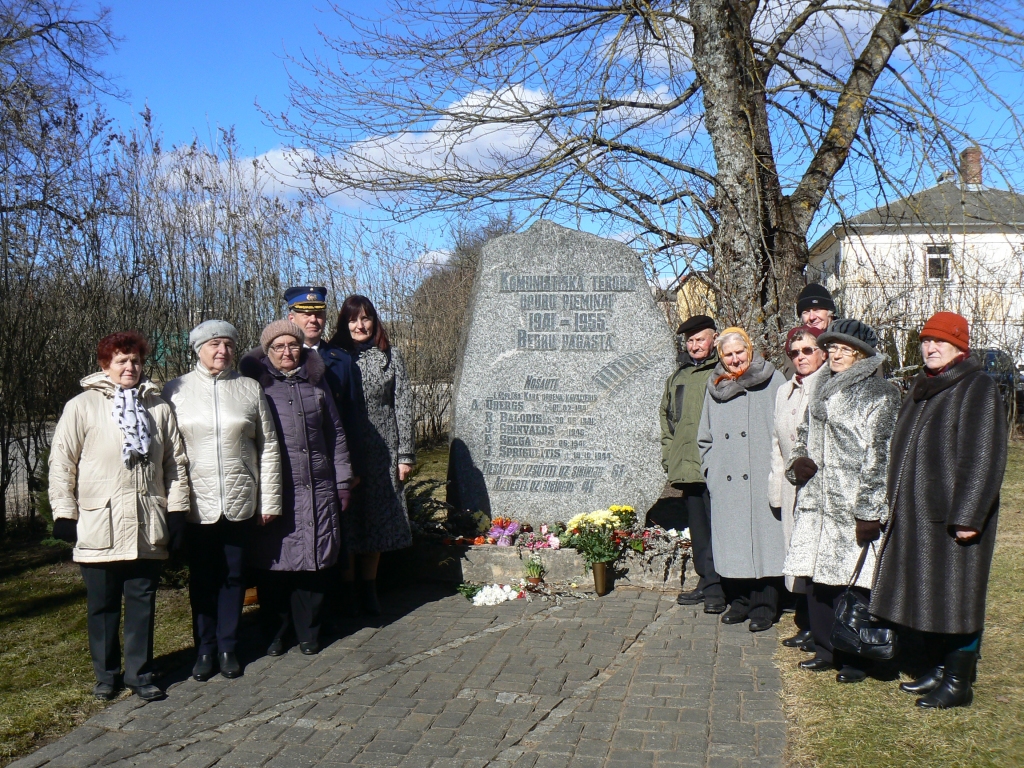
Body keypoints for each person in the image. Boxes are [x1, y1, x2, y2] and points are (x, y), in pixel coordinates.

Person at [871, 312, 1007, 709]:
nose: (930, 348)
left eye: (940, 343)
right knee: (929, 594)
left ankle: (959, 682)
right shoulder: (923, 387)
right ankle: (937, 668)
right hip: (916, 515)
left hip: (952, 517)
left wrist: (968, 516)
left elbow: (983, 457)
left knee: (959, 598)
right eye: (926, 342)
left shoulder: (976, 386)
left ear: (960, 348)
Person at [49, 332, 190, 702]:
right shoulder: (82, 406)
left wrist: (176, 510)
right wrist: (64, 513)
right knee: (103, 605)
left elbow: (175, 465)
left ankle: (139, 673)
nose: (130, 367)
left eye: (136, 361)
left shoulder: (158, 407)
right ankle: (106, 675)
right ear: (105, 365)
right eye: (122, 361)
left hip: (147, 522)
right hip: (99, 522)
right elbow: (62, 463)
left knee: (142, 601)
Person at [163, 320, 282, 682]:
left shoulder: (248, 389)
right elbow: (169, 451)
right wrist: (173, 506)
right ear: (198, 349)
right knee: (202, 579)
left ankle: (229, 646)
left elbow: (269, 446)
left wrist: (270, 500)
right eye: (214, 344)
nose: (222, 352)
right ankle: (204, 649)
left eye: (228, 345)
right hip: (197, 502)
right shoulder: (176, 390)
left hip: (239, 499)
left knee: (233, 576)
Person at [783, 319, 900, 683]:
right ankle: (825, 648)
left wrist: (868, 512)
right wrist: (797, 463)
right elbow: (802, 434)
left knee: (853, 581)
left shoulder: (880, 393)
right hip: (817, 501)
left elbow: (879, 457)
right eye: (830, 347)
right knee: (818, 580)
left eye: (841, 348)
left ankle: (855, 657)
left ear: (861, 354)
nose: (831, 352)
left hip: (851, 504)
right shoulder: (821, 388)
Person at [240, 320, 353, 656]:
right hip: (275, 489)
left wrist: (343, 481)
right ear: (267, 352)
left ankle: (309, 632)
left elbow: (337, 435)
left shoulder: (317, 385)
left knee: (314, 561)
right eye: (279, 347)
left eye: (293, 346)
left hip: (317, 487)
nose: (287, 352)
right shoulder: (256, 388)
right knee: (274, 563)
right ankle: (275, 631)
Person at [328, 295, 415, 615]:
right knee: (349, 521)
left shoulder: (390, 357)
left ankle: (370, 590)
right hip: (345, 450)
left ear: (374, 321)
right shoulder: (333, 357)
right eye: (352, 319)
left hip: (383, 451)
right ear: (343, 323)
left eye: (365, 318)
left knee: (377, 520)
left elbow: (403, 405)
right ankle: (349, 592)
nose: (359, 325)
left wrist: (405, 455)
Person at [697, 327, 786, 631]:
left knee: (765, 544)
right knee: (734, 545)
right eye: (728, 354)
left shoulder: (773, 380)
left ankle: (764, 606)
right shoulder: (715, 386)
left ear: (750, 349)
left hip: (762, 478)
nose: (735, 359)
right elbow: (704, 437)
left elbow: (787, 429)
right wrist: (712, 472)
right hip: (728, 482)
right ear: (720, 357)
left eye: (740, 352)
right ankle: (740, 602)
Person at [660, 314, 726, 613]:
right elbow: (667, 421)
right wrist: (668, 456)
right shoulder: (679, 376)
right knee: (699, 529)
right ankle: (707, 582)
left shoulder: (722, 372)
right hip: (688, 467)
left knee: (721, 528)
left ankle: (722, 588)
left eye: (700, 339)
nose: (694, 345)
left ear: (714, 339)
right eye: (690, 340)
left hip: (717, 466)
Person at [767, 325, 828, 652]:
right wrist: (777, 486)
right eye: (794, 353)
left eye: (807, 350)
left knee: (817, 554)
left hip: (820, 485)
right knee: (797, 552)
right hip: (792, 484)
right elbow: (777, 442)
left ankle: (821, 625)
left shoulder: (828, 385)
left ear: (821, 352)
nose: (801, 358)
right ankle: (806, 622)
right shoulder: (784, 390)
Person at [286, 286, 329, 352]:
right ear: (291, 318)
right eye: (307, 315)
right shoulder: (281, 357)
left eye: (318, 315)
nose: (313, 320)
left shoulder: (342, 359)